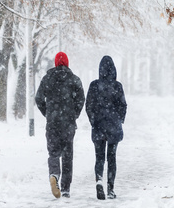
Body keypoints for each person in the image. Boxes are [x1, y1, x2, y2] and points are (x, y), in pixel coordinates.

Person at [35, 52, 85, 199]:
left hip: (52, 123)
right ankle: (65, 189)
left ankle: (54, 175)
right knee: (68, 155)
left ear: (56, 63)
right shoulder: (74, 80)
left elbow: (38, 98)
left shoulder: (47, 79)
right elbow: (81, 100)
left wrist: (48, 113)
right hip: (68, 123)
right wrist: (73, 114)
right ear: (67, 63)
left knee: (53, 153)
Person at [86, 56, 127, 200]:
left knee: (99, 157)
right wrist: (119, 120)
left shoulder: (94, 85)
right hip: (113, 128)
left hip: (98, 127)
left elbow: (88, 106)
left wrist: (93, 121)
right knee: (112, 158)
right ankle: (110, 188)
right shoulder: (117, 86)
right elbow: (123, 105)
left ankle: (99, 181)